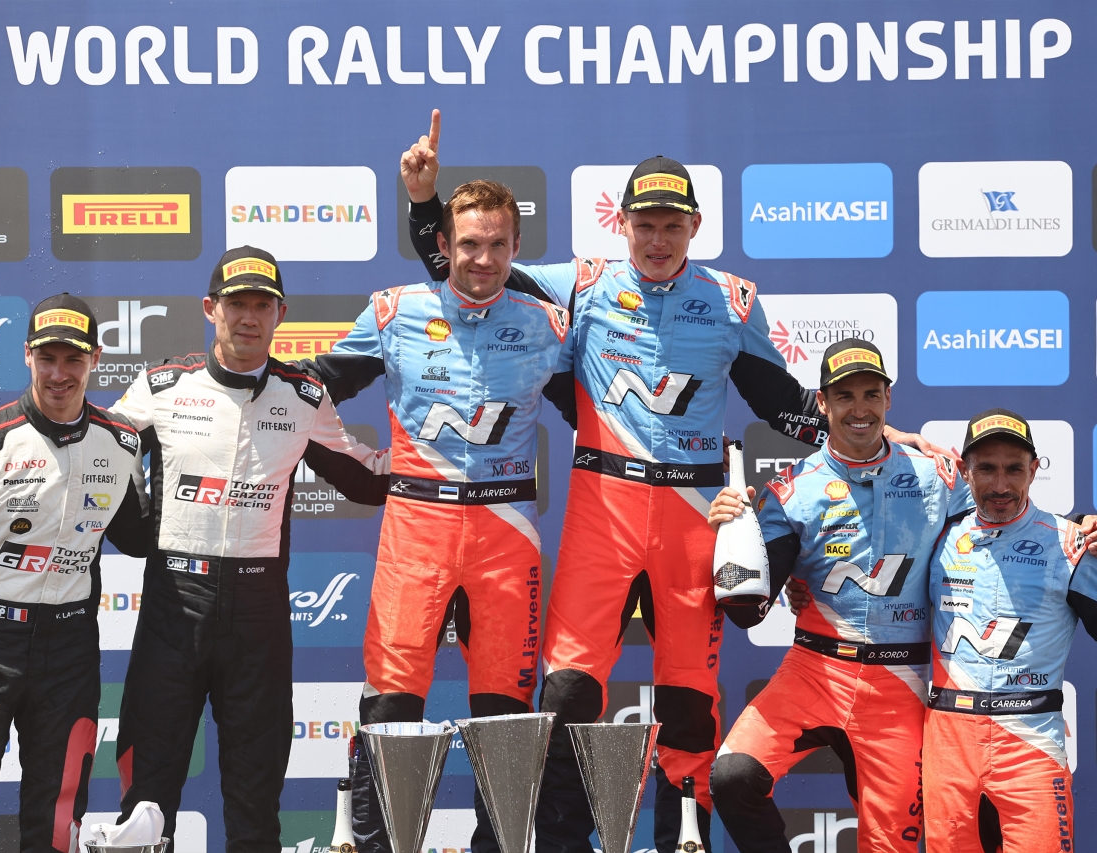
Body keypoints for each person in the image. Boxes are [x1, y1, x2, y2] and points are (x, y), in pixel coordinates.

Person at [400, 111, 944, 851]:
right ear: (621, 224)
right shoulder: (583, 284)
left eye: (672, 227)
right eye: (645, 226)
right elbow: (468, 276)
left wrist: (873, 437)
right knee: (568, 692)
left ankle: (678, 841)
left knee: (689, 700)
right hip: (603, 510)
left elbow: (778, 400)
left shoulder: (731, 299)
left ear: (695, 227)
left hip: (694, 516)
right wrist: (425, 204)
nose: (658, 241)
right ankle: (561, 843)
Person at [308, 179, 573, 853]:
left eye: (497, 245)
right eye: (469, 244)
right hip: (416, 529)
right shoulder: (394, 312)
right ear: (444, 246)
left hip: (505, 533)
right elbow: (314, 387)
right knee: (392, 703)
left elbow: (612, 411)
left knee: (505, 713)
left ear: (516, 246)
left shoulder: (549, 325)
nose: (483, 259)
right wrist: (235, 382)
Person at [109, 247, 391, 852]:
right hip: (173, 607)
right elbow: (91, 452)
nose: (249, 317)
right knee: (145, 803)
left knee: (255, 802)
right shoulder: (162, 386)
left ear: (280, 314)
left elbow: (366, 480)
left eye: (263, 305)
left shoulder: (304, 396)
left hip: (258, 614)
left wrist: (448, 456)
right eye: (237, 303)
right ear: (210, 309)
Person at [703, 339, 970, 853]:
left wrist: (1078, 529)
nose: (860, 409)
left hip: (901, 683)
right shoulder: (790, 490)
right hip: (814, 671)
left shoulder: (938, 476)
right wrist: (728, 534)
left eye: (871, 394)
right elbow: (746, 612)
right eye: (844, 396)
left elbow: (1004, 530)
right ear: (823, 404)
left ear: (888, 399)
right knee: (733, 776)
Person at [0, 293, 149, 853]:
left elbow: (140, 537)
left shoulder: (122, 442)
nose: (59, 374)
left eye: (73, 359)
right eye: (47, 359)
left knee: (58, 825)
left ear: (95, 358)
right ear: (27, 356)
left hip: (71, 650)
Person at [923, 409, 1097, 852]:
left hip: (1030, 743)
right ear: (964, 470)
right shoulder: (935, 539)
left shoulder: (1070, 544)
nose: (1000, 486)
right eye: (986, 468)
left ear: (1034, 470)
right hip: (949, 744)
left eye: (1014, 469)